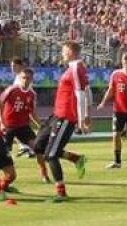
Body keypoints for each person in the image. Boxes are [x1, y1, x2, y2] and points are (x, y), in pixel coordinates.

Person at [32, 40, 90, 203]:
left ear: (71, 51)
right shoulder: (74, 68)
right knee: (38, 146)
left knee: (51, 155)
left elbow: (81, 94)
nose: (61, 53)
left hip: (65, 117)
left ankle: (61, 192)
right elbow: (87, 91)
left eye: (63, 50)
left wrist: (81, 119)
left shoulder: (76, 68)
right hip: (56, 115)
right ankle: (76, 159)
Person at [97, 52, 127, 170]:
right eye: (125, 61)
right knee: (115, 135)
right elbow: (111, 89)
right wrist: (103, 102)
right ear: (122, 62)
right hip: (118, 110)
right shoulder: (115, 74)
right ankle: (117, 162)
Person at [0, 67, 46, 179]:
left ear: (32, 79)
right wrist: (1, 123)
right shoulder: (12, 89)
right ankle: (5, 177)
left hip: (23, 127)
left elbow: (32, 112)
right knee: (5, 154)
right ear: (20, 78)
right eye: (23, 78)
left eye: (28, 78)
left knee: (38, 148)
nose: (25, 80)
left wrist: (40, 125)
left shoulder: (32, 94)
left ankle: (44, 173)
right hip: (8, 126)